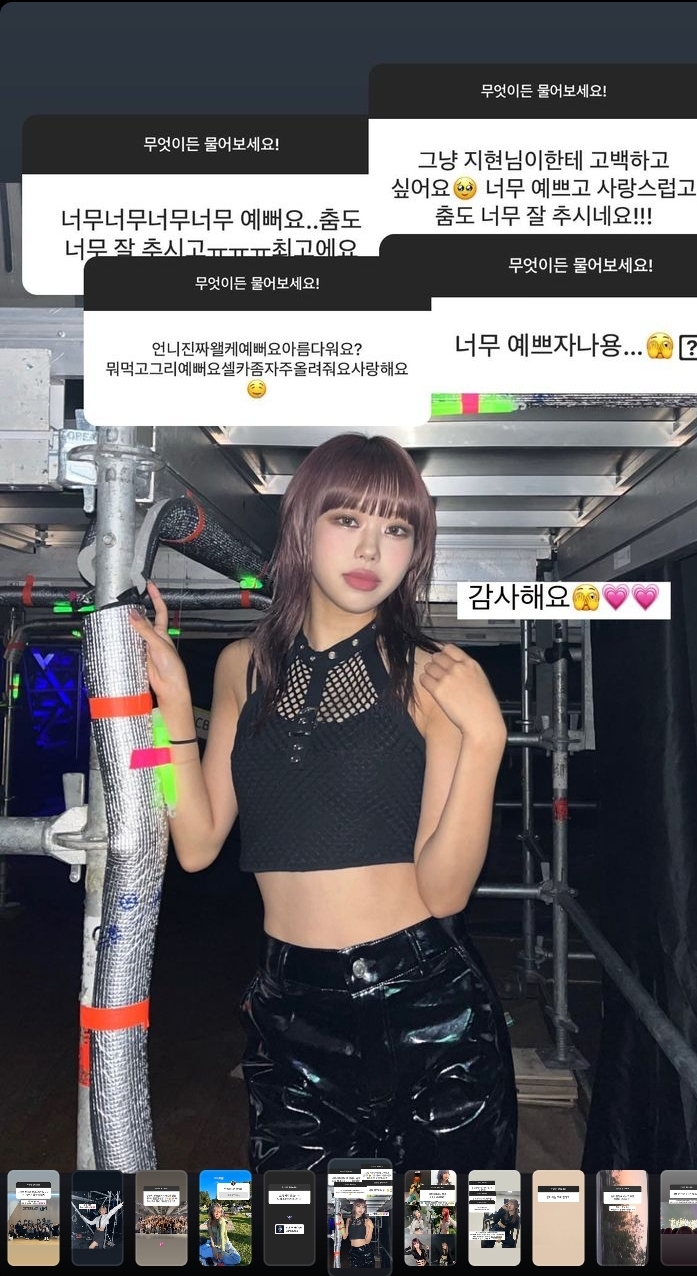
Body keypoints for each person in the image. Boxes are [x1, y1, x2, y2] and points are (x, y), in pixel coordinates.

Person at [131, 433, 517, 1172]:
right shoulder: (241, 666)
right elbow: (196, 842)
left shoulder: (432, 676)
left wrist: (487, 741)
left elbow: (444, 894)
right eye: (347, 519)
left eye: (396, 529)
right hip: (288, 1009)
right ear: (302, 525)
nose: (371, 548)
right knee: (295, 1225)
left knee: (434, 1231)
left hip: (426, 1013)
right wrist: (169, 707)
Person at [201, 1202, 242, 1266]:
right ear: (211, 1212)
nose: (217, 1214)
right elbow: (211, 1236)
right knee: (201, 1252)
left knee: (237, 1259)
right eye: (215, 1211)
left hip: (225, 1243)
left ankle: (217, 1259)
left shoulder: (222, 1221)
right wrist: (214, 1248)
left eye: (219, 1212)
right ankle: (218, 1258)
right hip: (215, 1244)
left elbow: (222, 1237)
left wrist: (222, 1253)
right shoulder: (209, 1222)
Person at [341, 1199, 374, 1270]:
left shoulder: (367, 1221)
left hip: (364, 1251)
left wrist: (371, 1228)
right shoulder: (349, 1220)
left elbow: (367, 1241)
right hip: (353, 1251)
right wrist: (341, 1223)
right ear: (354, 1207)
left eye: (363, 1207)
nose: (361, 1209)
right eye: (358, 1206)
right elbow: (344, 1236)